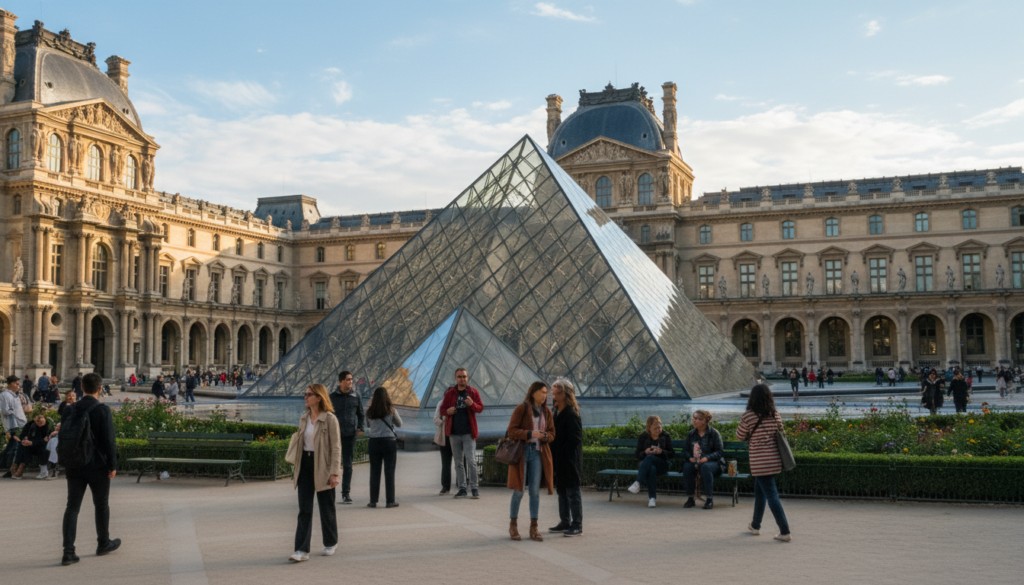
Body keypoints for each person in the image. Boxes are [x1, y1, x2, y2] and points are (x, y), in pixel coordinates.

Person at [61, 372, 120, 565]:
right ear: (100, 388)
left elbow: (63, 436)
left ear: (82, 388)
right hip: (97, 465)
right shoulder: (102, 410)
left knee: (72, 508)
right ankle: (103, 543)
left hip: (75, 464)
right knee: (101, 505)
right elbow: (109, 441)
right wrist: (112, 465)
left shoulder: (70, 409)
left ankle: (68, 552)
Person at [290, 383, 341, 562]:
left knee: (326, 507)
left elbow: (336, 447)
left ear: (319, 397)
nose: (305, 397)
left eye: (309, 394)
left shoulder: (330, 419)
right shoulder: (304, 417)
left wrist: (335, 472)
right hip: (305, 463)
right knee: (304, 508)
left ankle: (330, 542)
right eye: (305, 394)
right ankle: (301, 550)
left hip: (323, 466)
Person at [736, 383, 791, 542]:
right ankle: (755, 525)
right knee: (760, 492)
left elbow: (740, 435)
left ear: (752, 398)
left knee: (771, 495)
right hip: (774, 459)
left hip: (759, 461)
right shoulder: (775, 414)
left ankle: (785, 531)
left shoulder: (748, 416)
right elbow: (781, 432)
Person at [506, 381, 555, 541]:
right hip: (522, 453)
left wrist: (545, 436)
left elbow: (552, 433)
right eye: (542, 392)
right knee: (519, 491)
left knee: (534, 492)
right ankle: (513, 525)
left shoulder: (546, 411)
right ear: (533, 392)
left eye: (546, 393)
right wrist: (530, 434)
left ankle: (534, 528)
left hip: (537, 453)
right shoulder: (521, 408)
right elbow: (511, 431)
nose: (545, 395)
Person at [440, 368, 484, 499]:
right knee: (458, 462)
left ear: (467, 377)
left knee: (471, 461)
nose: (462, 379)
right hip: (454, 433)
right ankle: (463, 488)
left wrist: (472, 405)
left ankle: (474, 488)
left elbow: (480, 408)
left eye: (464, 376)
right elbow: (442, 409)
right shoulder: (450, 393)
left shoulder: (473, 392)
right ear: (455, 378)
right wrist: (447, 411)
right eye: (459, 377)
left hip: (468, 433)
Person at [549, 378, 583, 537]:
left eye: (556, 393)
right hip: (559, 458)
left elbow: (575, 438)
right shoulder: (557, 411)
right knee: (561, 490)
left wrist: (563, 453)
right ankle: (565, 521)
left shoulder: (571, 413)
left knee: (572, 492)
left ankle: (577, 524)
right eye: (553, 392)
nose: (553, 396)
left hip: (569, 460)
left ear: (565, 394)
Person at [329, 371, 365, 504]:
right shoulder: (332, 397)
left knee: (348, 465)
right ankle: (329, 491)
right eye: (348, 379)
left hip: (350, 435)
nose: (351, 382)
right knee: (332, 464)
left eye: (351, 379)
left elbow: (361, 414)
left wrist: (361, 427)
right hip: (335, 435)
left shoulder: (356, 396)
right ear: (340, 382)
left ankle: (346, 493)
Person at [627, 415, 674, 508]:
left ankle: (638, 483)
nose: (657, 430)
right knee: (651, 468)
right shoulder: (643, 437)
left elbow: (672, 454)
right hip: (647, 466)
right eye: (655, 428)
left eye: (659, 427)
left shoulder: (665, 435)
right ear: (649, 428)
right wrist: (645, 452)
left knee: (650, 458)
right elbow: (637, 455)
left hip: (662, 464)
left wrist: (661, 452)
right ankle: (652, 499)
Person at [365, 386, 401, 509]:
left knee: (374, 472)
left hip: (374, 442)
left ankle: (373, 501)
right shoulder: (391, 410)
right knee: (389, 472)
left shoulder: (369, 411)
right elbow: (399, 424)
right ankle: (390, 501)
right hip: (389, 442)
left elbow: (368, 425)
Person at [682, 410, 724, 510]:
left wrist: (707, 458)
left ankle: (709, 499)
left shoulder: (714, 433)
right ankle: (690, 498)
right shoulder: (691, 434)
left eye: (697, 418)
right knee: (687, 466)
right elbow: (684, 451)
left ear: (704, 420)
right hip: (696, 462)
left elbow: (719, 452)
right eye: (693, 418)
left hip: (713, 463)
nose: (694, 420)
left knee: (705, 467)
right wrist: (689, 458)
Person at [432, 398, 463, 495]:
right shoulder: (441, 403)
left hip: (458, 435)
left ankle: (461, 485)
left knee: (460, 462)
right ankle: (445, 486)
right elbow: (436, 420)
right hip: (446, 435)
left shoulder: (460, 402)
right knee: (445, 463)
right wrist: (446, 416)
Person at [2, 376, 30, 478]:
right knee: (14, 448)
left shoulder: (15, 395)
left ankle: (11, 470)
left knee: (14, 447)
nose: (18, 386)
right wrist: (16, 413)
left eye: (19, 384)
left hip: (20, 423)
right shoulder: (5, 395)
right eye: (16, 384)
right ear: (10, 384)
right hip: (14, 425)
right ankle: (11, 470)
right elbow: (5, 410)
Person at [14, 412, 52, 479]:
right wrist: (24, 441)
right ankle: (17, 466)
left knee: (43, 447)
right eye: (38, 420)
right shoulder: (30, 424)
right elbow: (22, 435)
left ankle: (44, 471)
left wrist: (32, 443)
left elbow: (45, 440)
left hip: (41, 446)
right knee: (22, 446)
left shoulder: (48, 426)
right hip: (31, 445)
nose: (40, 421)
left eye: (42, 418)